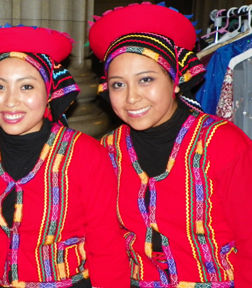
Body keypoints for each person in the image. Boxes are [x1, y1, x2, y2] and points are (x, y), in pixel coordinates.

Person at [88, 2, 252, 287]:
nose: (131, 98)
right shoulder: (106, 151)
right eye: (118, 84)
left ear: (176, 80)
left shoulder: (222, 143)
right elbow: (105, 243)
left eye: (146, 80)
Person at [0, 25, 130, 288]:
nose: (11, 101)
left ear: (50, 92)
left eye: (26, 86)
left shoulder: (84, 154)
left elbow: (106, 243)